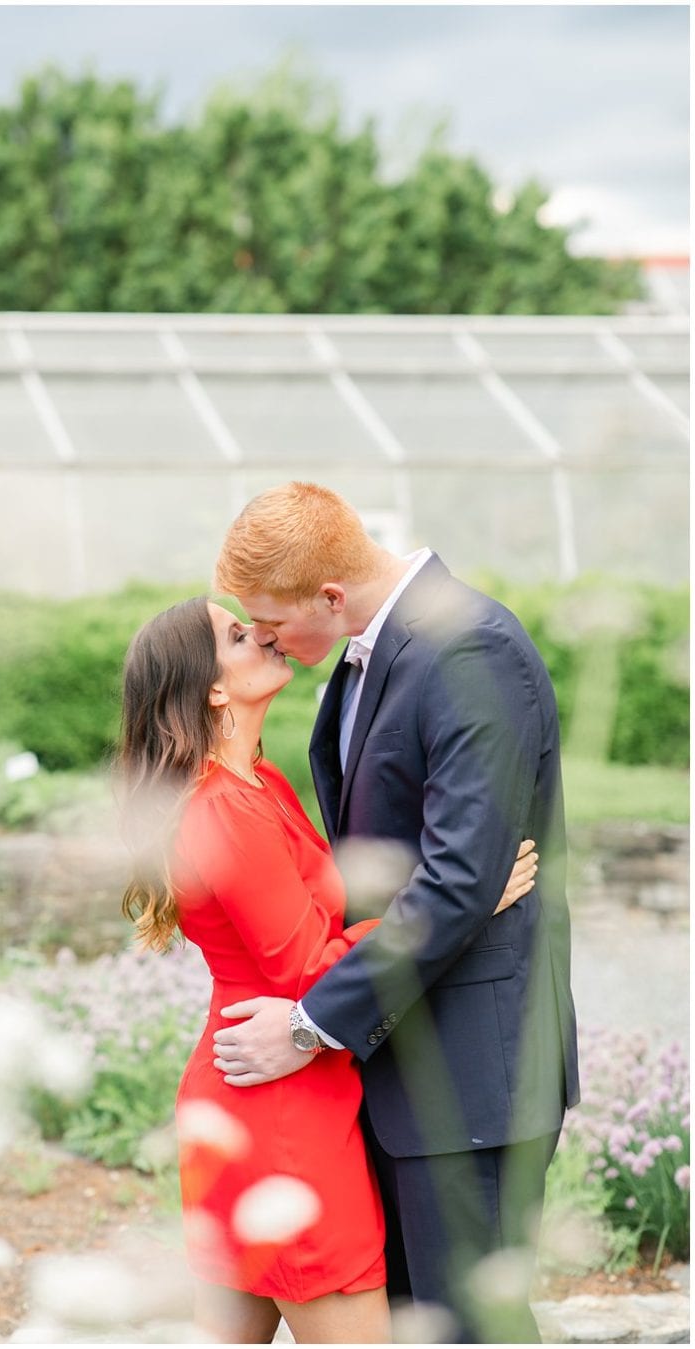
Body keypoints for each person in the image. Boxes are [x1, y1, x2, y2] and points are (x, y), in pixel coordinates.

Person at [207, 482, 578, 1343]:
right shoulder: (369, 651)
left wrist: (307, 1026)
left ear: (330, 596)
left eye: (269, 623)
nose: (267, 642)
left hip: (472, 1072)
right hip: (396, 1058)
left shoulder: (467, 648)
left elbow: (457, 882)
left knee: (470, 1328)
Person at [119, 597, 538, 1344]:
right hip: (282, 1114)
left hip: (262, 1094)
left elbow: (325, 929)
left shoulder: (259, 784)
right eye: (240, 636)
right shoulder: (227, 812)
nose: (268, 635)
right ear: (213, 688)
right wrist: (458, 903)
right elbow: (311, 968)